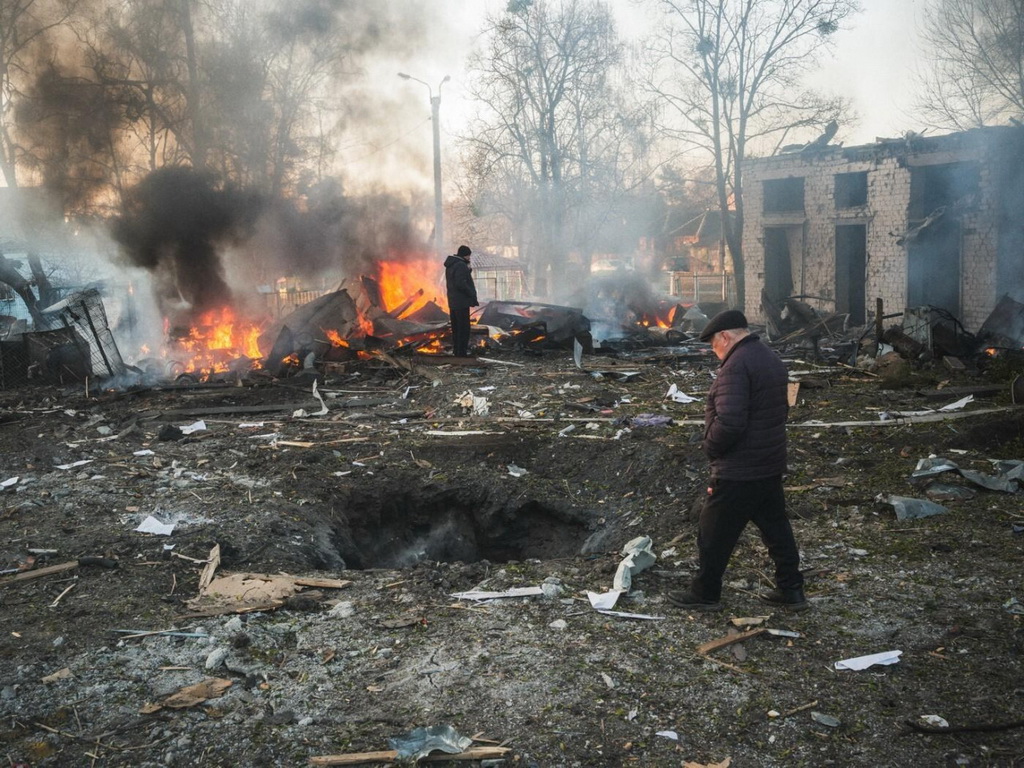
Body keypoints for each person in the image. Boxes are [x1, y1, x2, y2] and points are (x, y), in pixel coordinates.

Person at [668, 309, 807, 612]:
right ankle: (791, 589)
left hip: (739, 469)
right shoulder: (770, 358)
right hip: (768, 462)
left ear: (725, 337)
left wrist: (710, 447)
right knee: (777, 531)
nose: (714, 352)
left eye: (713, 345)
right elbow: (781, 410)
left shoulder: (735, 366)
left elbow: (730, 422)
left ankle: (705, 592)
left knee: (713, 532)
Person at [444, 245, 479, 357]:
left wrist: (467, 270)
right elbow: (461, 283)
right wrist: (471, 293)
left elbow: (456, 281)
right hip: (462, 302)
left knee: (456, 328)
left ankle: (457, 351)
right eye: (469, 256)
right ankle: (462, 353)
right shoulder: (460, 265)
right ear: (466, 255)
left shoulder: (451, 265)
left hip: (453, 302)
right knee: (464, 329)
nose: (469, 258)